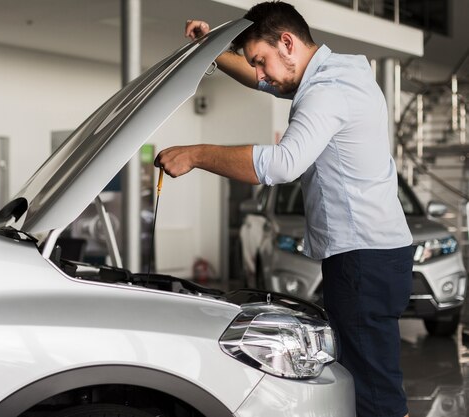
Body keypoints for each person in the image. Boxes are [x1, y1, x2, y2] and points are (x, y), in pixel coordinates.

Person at [154, 2, 413, 417]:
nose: (260, 75)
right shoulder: (340, 71)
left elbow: (282, 164)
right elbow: (264, 82)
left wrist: (196, 153)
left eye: (261, 60)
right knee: (366, 382)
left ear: (287, 42)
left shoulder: (327, 91)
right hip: (375, 254)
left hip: (363, 258)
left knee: (374, 395)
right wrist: (209, 50)